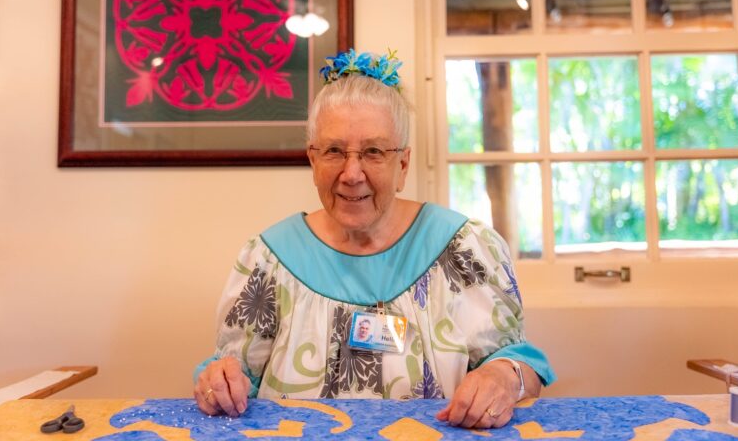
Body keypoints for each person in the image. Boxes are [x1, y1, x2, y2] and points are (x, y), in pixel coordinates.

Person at [193, 49, 555, 430]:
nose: (352, 173)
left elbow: (520, 366)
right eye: (334, 151)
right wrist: (220, 380)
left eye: (373, 152)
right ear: (313, 161)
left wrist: (503, 377)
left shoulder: (464, 249)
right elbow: (234, 374)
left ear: (402, 165)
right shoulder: (267, 260)